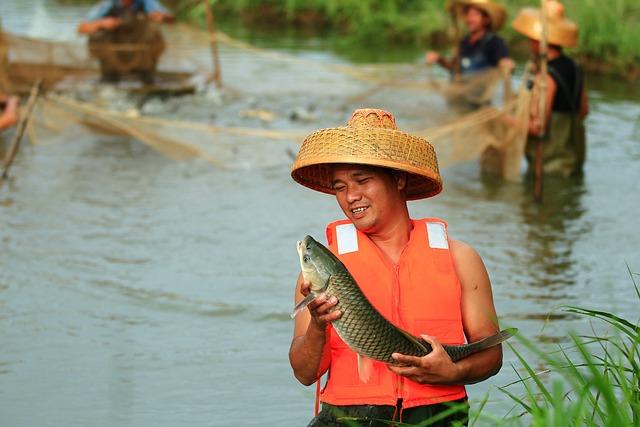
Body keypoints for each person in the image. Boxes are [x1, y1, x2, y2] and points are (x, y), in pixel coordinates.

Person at [289, 108, 504, 426]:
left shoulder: (461, 258)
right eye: (339, 187)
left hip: (436, 416)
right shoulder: (321, 270)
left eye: (362, 180)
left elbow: (491, 355)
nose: (351, 196)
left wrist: (453, 371)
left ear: (399, 179)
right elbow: (305, 374)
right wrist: (319, 326)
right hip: (347, 418)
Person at [512, 1, 588, 177]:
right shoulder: (575, 68)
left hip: (548, 168)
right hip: (573, 160)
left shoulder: (546, 77)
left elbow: (538, 128)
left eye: (532, 38)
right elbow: (584, 111)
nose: (530, 42)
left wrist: (504, 119)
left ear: (539, 41)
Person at [77, 0, 174, 83]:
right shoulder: (108, 4)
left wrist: (162, 17)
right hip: (113, 53)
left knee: (153, 31)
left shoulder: (146, 2)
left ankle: (146, 73)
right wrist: (101, 23)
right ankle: (110, 75)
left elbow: (170, 19)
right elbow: (81, 29)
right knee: (98, 35)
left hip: (142, 55)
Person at [426, 0, 513, 77]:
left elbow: (504, 61)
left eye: (475, 15)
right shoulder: (464, 42)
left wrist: (506, 64)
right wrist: (439, 59)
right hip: (458, 91)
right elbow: (453, 67)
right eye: (468, 14)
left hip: (480, 93)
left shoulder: (495, 42)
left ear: (486, 19)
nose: (470, 19)